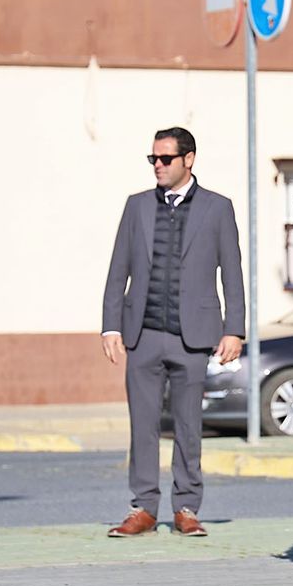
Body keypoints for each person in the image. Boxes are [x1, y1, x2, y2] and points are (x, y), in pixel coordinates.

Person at [101, 126, 244, 538]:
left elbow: (231, 273)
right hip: (142, 333)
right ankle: (143, 507)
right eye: (153, 159)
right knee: (142, 425)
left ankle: (186, 506)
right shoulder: (137, 206)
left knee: (187, 426)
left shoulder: (218, 208)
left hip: (194, 336)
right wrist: (110, 325)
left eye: (165, 159)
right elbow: (118, 270)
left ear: (189, 159)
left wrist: (234, 329)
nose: (158, 166)